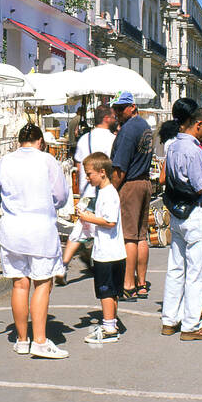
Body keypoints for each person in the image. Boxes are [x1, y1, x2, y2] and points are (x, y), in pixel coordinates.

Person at [0, 122, 70, 359]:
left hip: (13, 229)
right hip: (39, 229)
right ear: (40, 142)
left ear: (19, 142)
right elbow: (61, 196)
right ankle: (39, 340)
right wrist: (47, 205)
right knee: (42, 283)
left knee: (19, 284)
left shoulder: (5, 161)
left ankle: (22, 339)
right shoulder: (47, 160)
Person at [161, 107, 202, 340]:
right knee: (197, 271)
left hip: (177, 212)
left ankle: (169, 319)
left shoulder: (173, 146)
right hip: (194, 212)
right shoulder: (193, 150)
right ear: (198, 125)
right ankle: (191, 325)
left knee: (176, 267)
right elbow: (200, 185)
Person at [58, 104, 118, 282]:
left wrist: (82, 187)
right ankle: (106, 265)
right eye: (113, 116)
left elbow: (78, 167)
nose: (115, 120)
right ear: (106, 118)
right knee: (106, 226)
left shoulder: (85, 138)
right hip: (104, 189)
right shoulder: (113, 139)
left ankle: (63, 265)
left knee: (81, 227)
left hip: (87, 190)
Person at [73, 152, 125, 344]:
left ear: (102, 172)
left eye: (89, 174)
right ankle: (111, 321)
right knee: (111, 290)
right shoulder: (104, 192)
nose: (87, 178)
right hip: (113, 251)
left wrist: (86, 217)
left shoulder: (108, 193)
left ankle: (109, 326)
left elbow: (109, 221)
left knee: (106, 290)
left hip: (108, 252)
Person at [109, 90, 155, 300]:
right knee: (141, 235)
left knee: (129, 236)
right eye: (115, 108)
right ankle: (141, 282)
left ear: (132, 107)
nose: (117, 112)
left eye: (120, 108)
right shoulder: (145, 126)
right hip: (145, 181)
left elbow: (120, 169)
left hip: (131, 184)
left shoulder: (128, 130)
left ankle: (128, 284)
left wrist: (109, 190)